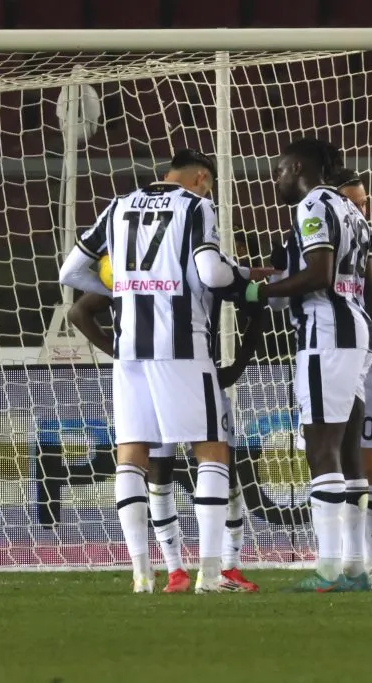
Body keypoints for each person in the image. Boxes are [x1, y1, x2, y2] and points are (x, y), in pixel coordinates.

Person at [58, 149, 257, 593]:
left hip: (129, 349)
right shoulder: (196, 206)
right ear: (201, 178)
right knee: (212, 450)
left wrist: (123, 293)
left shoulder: (118, 204)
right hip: (181, 344)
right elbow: (209, 270)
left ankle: (142, 574)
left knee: (131, 456)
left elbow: (71, 271)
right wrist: (242, 277)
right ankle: (209, 574)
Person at [228, 138, 372, 592]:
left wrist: (258, 293)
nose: (276, 180)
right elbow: (357, 276)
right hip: (355, 329)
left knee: (320, 449)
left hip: (325, 333)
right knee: (349, 454)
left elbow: (318, 274)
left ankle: (328, 569)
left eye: (278, 171)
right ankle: (356, 568)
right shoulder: (350, 209)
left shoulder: (312, 205)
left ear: (295, 166)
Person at [67, 268, 266, 592]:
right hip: (194, 376)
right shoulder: (190, 265)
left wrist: (121, 355)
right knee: (206, 466)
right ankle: (203, 568)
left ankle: (188, 569)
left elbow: (77, 307)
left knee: (162, 470)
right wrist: (236, 367)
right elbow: (78, 311)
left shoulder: (137, 272)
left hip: (153, 377)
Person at [330, 167, 372, 590]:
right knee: (328, 461)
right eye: (352, 203)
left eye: (365, 203)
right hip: (329, 362)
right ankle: (341, 559)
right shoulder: (319, 237)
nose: (360, 210)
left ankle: (371, 564)